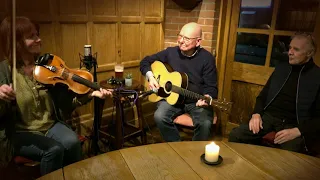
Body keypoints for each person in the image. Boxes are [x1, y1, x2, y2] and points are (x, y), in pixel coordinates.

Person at [0, 16, 112, 175]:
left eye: (37, 34)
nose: (39, 39)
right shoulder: (5, 71)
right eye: (32, 36)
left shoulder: (47, 66)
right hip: (20, 132)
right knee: (54, 150)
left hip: (50, 125)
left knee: (73, 142)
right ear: (16, 43)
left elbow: (66, 102)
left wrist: (91, 93)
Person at [229, 32, 320, 156]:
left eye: (296, 49)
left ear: (309, 53)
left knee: (292, 152)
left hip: (294, 124)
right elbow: (262, 96)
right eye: (290, 48)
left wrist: (298, 131)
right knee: (237, 134)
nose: (290, 52)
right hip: (269, 118)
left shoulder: (317, 77)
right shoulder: (282, 68)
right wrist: (256, 114)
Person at [140, 22, 218, 142]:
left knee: (205, 123)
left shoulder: (207, 59)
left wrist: (208, 96)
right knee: (159, 116)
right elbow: (145, 61)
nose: (181, 41)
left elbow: (211, 87)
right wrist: (151, 77)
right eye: (180, 36)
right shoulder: (171, 52)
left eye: (186, 38)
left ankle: (194, 152)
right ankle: (176, 148)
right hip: (173, 100)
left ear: (198, 42)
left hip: (196, 101)